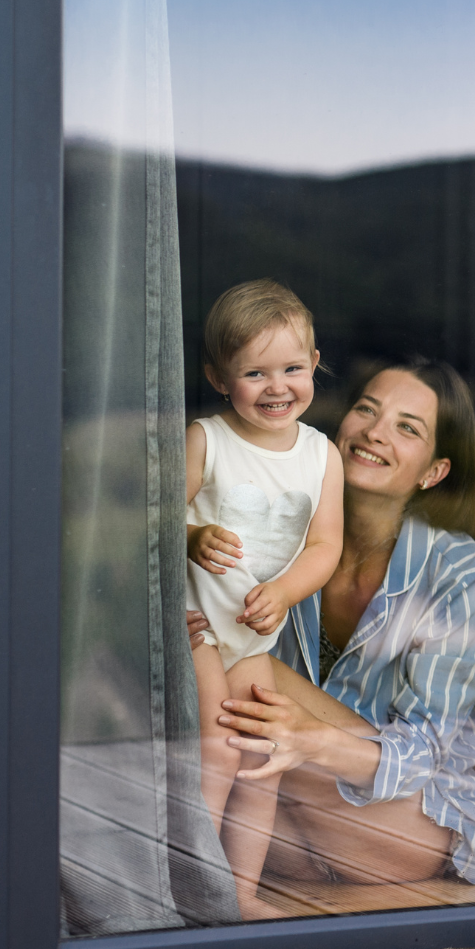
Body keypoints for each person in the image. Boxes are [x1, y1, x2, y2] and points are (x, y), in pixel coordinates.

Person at [202, 358, 475, 913]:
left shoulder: (455, 570)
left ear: (433, 472)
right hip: (278, 820)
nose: (376, 433)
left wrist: (309, 737)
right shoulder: (278, 526)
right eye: (367, 409)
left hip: (394, 829)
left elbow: (425, 752)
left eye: (408, 428)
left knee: (243, 667)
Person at [185, 279, 345, 914]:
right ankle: (192, 892)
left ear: (313, 366)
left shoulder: (320, 455)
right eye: (255, 372)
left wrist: (282, 591)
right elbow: (147, 519)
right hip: (194, 624)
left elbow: (324, 547)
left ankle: (241, 896)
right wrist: (192, 535)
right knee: (217, 752)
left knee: (261, 756)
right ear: (219, 378)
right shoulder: (208, 440)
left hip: (251, 634)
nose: (277, 387)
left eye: (292, 368)